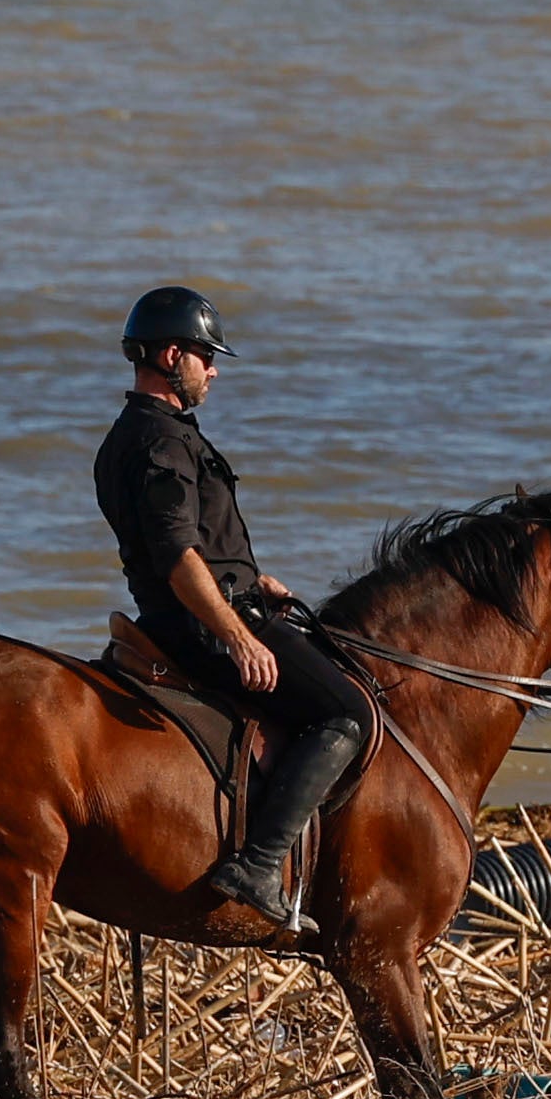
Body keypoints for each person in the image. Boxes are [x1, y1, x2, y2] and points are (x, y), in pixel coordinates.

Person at [91, 287, 370, 941]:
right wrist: (237, 635)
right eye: (205, 357)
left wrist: (252, 580)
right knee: (347, 711)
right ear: (170, 355)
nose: (213, 371)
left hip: (207, 604)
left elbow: (196, 548)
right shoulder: (162, 443)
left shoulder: (139, 435)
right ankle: (259, 865)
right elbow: (176, 557)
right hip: (195, 626)